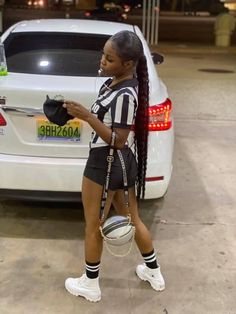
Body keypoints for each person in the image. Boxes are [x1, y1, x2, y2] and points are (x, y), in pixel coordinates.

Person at [63, 30, 165, 302]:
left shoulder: (124, 94)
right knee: (134, 220)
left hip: (104, 165)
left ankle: (90, 284)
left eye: (109, 58)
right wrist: (78, 113)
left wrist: (86, 116)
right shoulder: (113, 83)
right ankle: (154, 272)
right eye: (103, 55)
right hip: (120, 165)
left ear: (128, 64)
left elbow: (118, 140)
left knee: (93, 226)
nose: (103, 61)